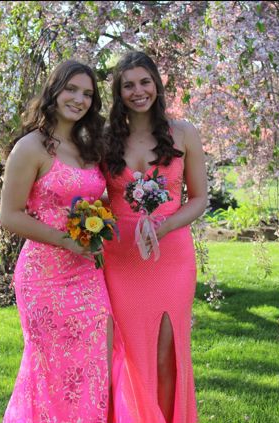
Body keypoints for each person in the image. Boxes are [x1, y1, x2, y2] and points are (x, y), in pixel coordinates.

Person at [0, 60, 124, 422]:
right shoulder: (30, 147)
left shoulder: (87, 146)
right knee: (52, 372)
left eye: (87, 93)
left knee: (96, 365)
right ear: (53, 91)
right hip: (44, 277)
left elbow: (96, 196)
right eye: (71, 89)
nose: (79, 99)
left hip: (87, 274)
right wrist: (64, 240)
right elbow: (10, 215)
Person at [103, 51, 208, 423]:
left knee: (166, 353)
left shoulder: (183, 133)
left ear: (157, 85)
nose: (138, 91)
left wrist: (165, 225)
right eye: (128, 85)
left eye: (145, 82)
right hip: (120, 260)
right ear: (118, 93)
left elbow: (200, 198)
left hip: (171, 257)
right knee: (127, 351)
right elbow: (92, 191)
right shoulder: (105, 139)